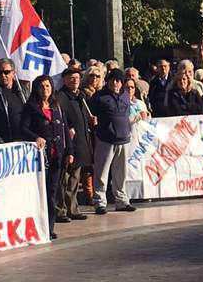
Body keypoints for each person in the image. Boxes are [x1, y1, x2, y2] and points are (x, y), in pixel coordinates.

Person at [20, 75, 73, 240]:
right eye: (42, 86)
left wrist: (69, 152)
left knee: (52, 192)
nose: (45, 90)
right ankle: (37, 226)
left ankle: (49, 227)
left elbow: (65, 130)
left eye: (48, 86)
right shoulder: (30, 107)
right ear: (36, 89)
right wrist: (35, 137)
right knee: (39, 192)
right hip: (40, 158)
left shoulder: (57, 106)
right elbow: (23, 128)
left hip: (57, 156)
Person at [90, 68, 136, 214]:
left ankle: (122, 201)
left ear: (122, 82)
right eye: (112, 80)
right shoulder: (99, 97)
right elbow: (90, 115)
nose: (115, 83)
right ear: (108, 81)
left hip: (124, 140)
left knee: (121, 174)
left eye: (118, 80)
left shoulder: (126, 95)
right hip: (105, 140)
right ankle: (99, 202)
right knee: (101, 173)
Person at [56, 68, 93, 223]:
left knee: (74, 180)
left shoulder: (80, 96)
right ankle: (61, 210)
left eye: (77, 77)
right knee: (64, 180)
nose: (75, 80)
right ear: (64, 80)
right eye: (71, 77)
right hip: (68, 144)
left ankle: (73, 209)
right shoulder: (61, 97)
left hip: (81, 143)